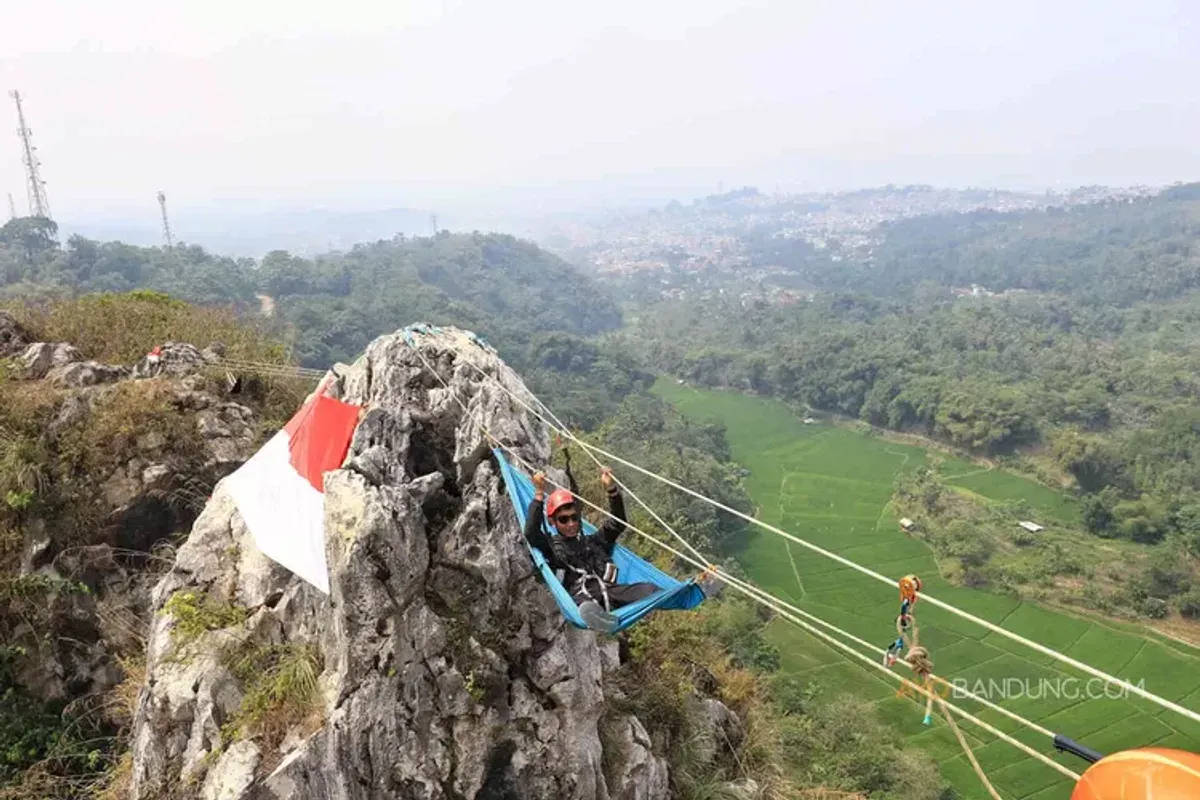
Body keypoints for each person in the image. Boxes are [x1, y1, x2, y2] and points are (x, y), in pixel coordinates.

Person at [524, 465, 660, 632]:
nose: (571, 524)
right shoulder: (552, 547)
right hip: (580, 599)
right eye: (564, 520)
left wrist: (611, 489)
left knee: (650, 589)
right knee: (587, 605)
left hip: (610, 592)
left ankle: (677, 594)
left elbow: (618, 523)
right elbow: (530, 532)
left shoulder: (593, 541)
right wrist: (538, 494)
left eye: (574, 517)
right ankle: (601, 618)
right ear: (552, 521)